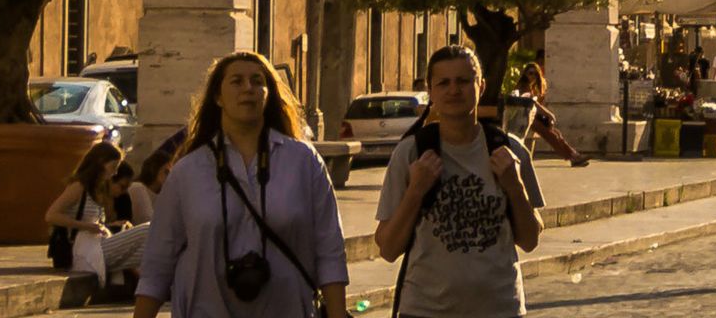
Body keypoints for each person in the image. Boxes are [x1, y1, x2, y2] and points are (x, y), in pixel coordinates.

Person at [135, 51, 349, 318]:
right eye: (236, 81)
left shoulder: (303, 163)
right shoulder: (187, 172)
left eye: (257, 81)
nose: (248, 88)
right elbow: (158, 263)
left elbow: (329, 250)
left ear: (269, 93)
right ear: (217, 97)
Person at [371, 46, 543, 318]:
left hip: (500, 308)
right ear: (431, 91)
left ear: (481, 86)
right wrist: (415, 191)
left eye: (464, 81)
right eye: (443, 83)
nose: (454, 90)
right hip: (425, 310)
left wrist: (514, 185)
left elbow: (530, 240)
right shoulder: (411, 153)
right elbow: (388, 249)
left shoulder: (509, 151)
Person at [47, 141, 138, 307]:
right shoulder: (78, 187)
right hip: (81, 249)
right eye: (113, 167)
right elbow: (51, 215)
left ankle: (156, 288)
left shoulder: (97, 189)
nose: (115, 172)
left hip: (96, 245)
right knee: (146, 232)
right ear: (101, 163)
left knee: (145, 249)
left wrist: (111, 225)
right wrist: (85, 226)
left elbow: (95, 223)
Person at [496, 63, 591, 168]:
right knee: (551, 135)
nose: (532, 76)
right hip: (524, 118)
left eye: (535, 74)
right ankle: (573, 156)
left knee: (556, 134)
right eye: (530, 73)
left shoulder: (533, 88)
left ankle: (573, 155)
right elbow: (533, 104)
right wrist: (549, 115)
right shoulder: (523, 87)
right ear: (525, 74)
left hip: (531, 117)